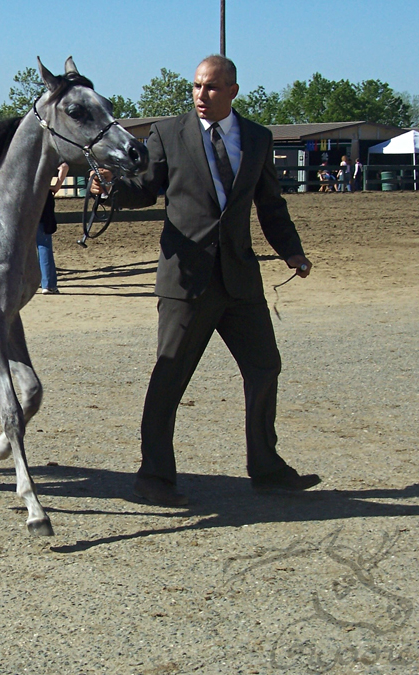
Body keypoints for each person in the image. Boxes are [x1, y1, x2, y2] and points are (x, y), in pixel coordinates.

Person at [91, 55, 319, 506]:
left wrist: (291, 249)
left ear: (232, 90)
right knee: (169, 376)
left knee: (264, 367)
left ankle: (267, 469)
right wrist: (112, 188)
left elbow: (270, 204)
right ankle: (154, 477)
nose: (200, 95)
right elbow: (144, 188)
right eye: (196, 86)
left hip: (240, 281)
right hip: (186, 281)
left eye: (211, 88)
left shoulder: (256, 138)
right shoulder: (168, 133)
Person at [37, 162, 69, 295]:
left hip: (21, 198)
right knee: (43, 243)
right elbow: (64, 166)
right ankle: (48, 284)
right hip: (43, 195)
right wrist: (57, 185)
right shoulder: (45, 150)